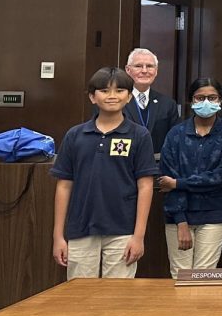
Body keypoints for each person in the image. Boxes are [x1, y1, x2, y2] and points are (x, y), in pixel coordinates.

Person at [52, 66, 157, 279]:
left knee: (118, 301)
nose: (112, 96)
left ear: (129, 97)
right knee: (79, 298)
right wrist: (58, 236)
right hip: (81, 228)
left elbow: (145, 186)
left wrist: (139, 236)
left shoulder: (139, 135)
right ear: (92, 97)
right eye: (104, 90)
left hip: (123, 230)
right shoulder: (75, 135)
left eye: (119, 91)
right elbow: (64, 185)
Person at [156, 76, 222, 277]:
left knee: (204, 275)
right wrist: (181, 221)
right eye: (200, 98)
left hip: (214, 214)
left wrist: (179, 183)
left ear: (220, 101)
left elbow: (219, 178)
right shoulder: (176, 134)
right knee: (179, 275)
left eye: (212, 97)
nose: (206, 102)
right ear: (191, 101)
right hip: (179, 216)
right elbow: (166, 180)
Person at [93, 48, 180, 156]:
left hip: (157, 167)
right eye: (138, 66)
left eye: (149, 66)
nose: (144, 71)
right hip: (121, 163)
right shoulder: (113, 101)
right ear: (128, 70)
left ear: (156, 71)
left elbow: (174, 142)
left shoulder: (168, 104)